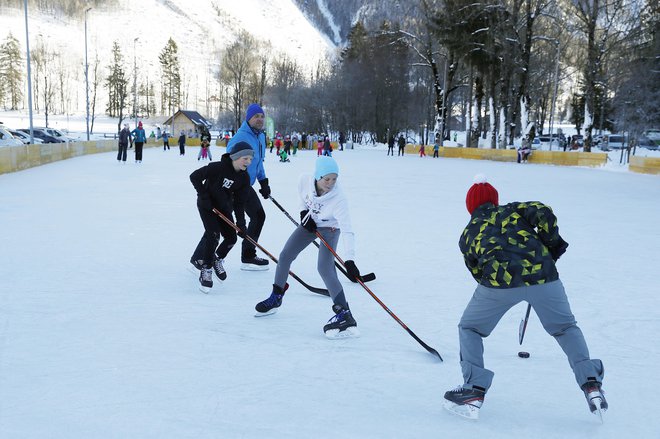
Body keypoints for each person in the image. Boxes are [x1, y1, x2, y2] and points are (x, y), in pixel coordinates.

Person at [443, 175, 606, 420]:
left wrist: (499, 280)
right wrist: (552, 245)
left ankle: (474, 389)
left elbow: (475, 270)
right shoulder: (514, 210)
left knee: (470, 328)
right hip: (545, 279)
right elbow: (544, 211)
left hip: (498, 286)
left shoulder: (468, 233)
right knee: (564, 328)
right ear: (495, 201)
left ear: (470, 206)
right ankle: (591, 383)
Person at [254, 156, 363, 339]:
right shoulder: (304, 179)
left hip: (330, 228)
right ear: (317, 177)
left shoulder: (339, 199)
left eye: (334, 179)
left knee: (324, 268)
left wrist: (350, 260)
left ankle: (344, 313)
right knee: (285, 255)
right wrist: (304, 212)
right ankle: (276, 296)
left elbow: (347, 230)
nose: (330, 183)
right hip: (310, 223)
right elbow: (303, 198)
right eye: (326, 179)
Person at [189, 143, 254, 293]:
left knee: (231, 238)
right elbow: (194, 176)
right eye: (245, 158)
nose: (248, 162)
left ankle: (216, 258)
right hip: (207, 206)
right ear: (236, 157)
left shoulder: (244, 178)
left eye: (250, 159)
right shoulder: (217, 167)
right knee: (213, 234)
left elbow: (239, 203)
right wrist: (203, 195)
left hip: (223, 208)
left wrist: (241, 224)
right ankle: (206, 269)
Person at [226, 103, 271, 270]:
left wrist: (263, 181)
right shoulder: (241, 136)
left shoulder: (259, 136)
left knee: (258, 216)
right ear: (248, 118)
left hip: (246, 185)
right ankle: (201, 258)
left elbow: (258, 162)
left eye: (261, 116)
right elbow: (228, 159)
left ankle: (248, 255)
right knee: (220, 221)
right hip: (233, 186)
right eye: (256, 116)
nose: (259, 119)